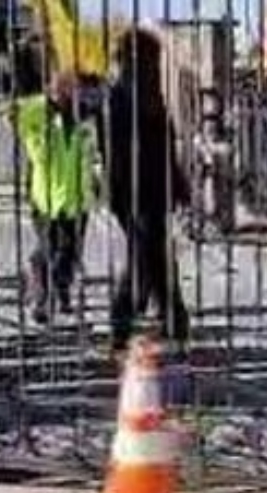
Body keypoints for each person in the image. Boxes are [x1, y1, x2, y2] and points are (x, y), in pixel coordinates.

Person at [102, 29, 192, 357]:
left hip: (156, 190)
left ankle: (164, 323)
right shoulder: (119, 97)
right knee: (147, 258)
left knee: (151, 258)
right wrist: (123, 195)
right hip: (133, 194)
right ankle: (152, 324)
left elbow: (165, 145)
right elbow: (114, 152)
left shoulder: (151, 94)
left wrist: (179, 184)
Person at [1, 69, 97, 326]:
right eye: (61, 85)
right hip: (46, 198)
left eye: (72, 85)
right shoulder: (39, 111)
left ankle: (59, 289)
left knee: (70, 253)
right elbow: (9, 113)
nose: (67, 90)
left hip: (78, 198)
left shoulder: (84, 115)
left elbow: (92, 150)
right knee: (51, 249)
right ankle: (41, 299)